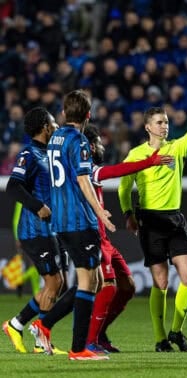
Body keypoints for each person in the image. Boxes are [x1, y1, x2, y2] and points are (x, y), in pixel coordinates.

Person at [118, 81, 187, 352]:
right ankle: (159, 339)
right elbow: (124, 186)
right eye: (159, 122)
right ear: (147, 127)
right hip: (150, 221)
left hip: (174, 220)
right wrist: (128, 214)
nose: (164, 126)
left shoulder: (176, 149)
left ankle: (176, 332)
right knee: (160, 282)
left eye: (166, 122)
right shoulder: (136, 155)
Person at [29, 90, 115, 361]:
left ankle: (44, 324)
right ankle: (78, 348)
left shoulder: (54, 138)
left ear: (64, 113)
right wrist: (100, 210)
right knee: (89, 281)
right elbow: (83, 180)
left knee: (95, 280)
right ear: (88, 115)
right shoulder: (78, 141)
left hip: (62, 221)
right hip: (78, 219)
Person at [83, 125, 174, 353]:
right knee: (107, 287)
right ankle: (89, 341)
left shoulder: (88, 171)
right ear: (92, 146)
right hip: (93, 238)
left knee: (127, 286)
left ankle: (99, 333)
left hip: (104, 239)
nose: (104, 146)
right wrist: (149, 162)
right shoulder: (86, 170)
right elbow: (118, 171)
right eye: (101, 142)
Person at [3, 107, 66, 354]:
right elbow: (13, 186)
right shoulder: (29, 153)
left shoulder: (49, 153)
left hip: (48, 229)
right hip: (33, 229)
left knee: (55, 284)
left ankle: (16, 325)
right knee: (55, 282)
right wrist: (37, 206)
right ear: (44, 126)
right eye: (53, 122)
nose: (57, 126)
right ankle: (40, 341)